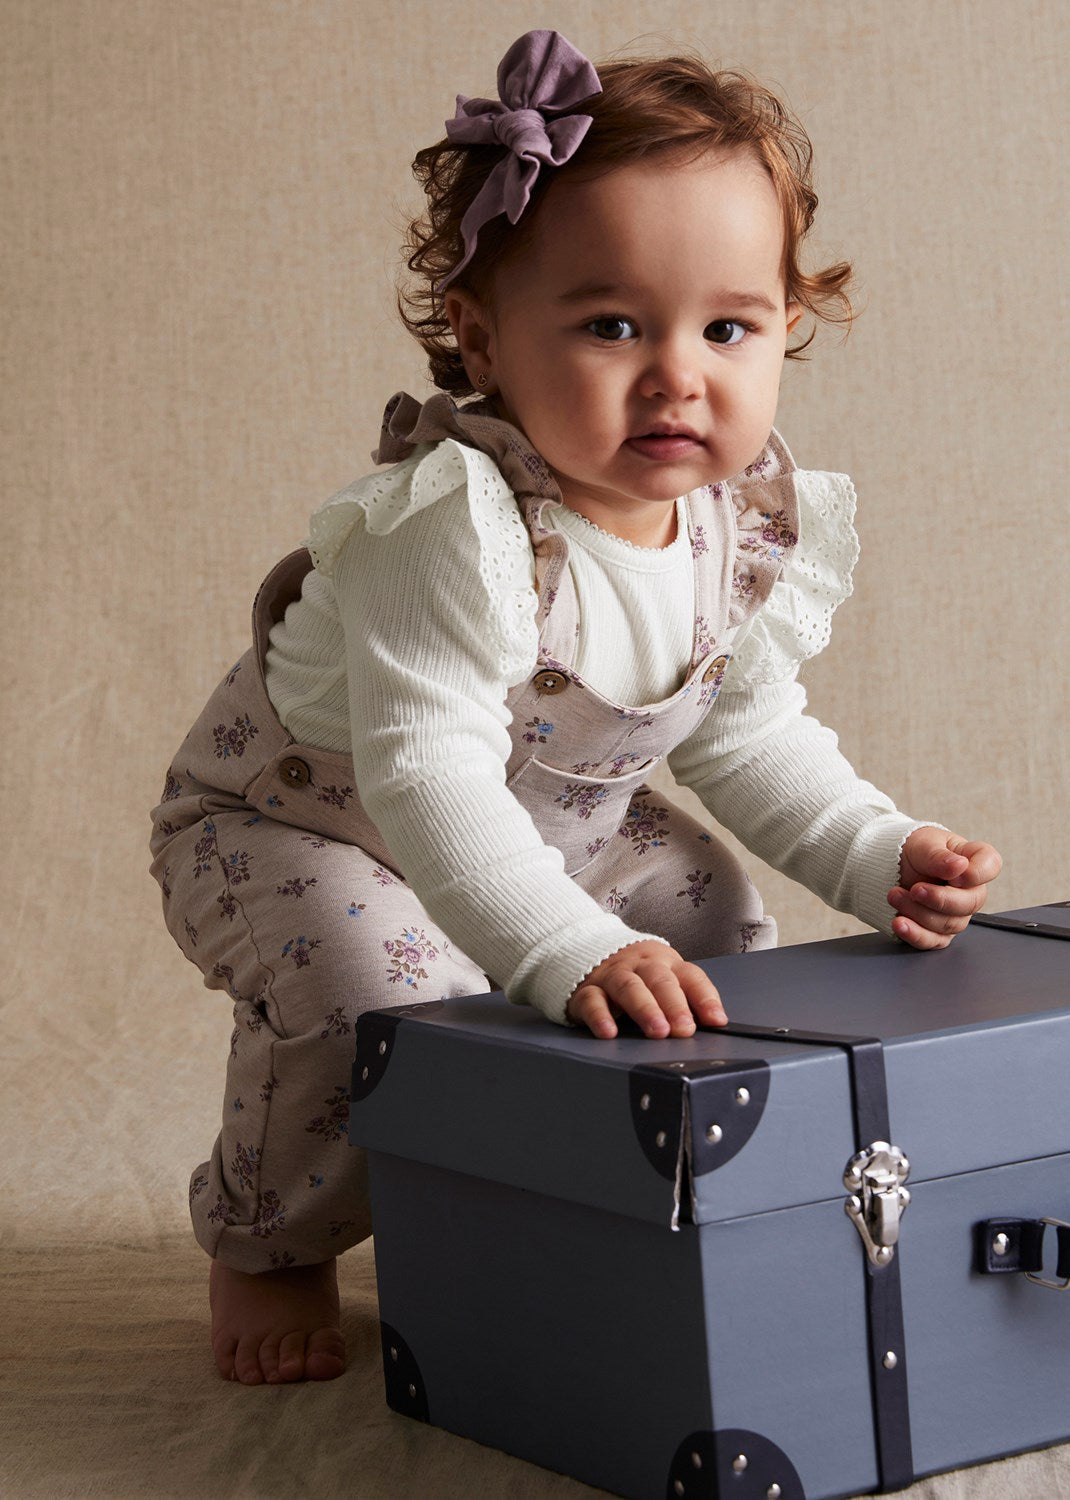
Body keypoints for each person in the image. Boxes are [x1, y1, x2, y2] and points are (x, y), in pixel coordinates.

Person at [149, 30, 1001, 1388]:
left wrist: (873, 850)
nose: (675, 372)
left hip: (556, 823)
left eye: (725, 327)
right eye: (610, 324)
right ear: (482, 336)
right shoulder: (456, 521)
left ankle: (622, 1198)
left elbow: (745, 727)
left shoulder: (740, 526)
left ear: (789, 323)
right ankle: (269, 1243)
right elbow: (425, 774)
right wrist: (558, 946)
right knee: (385, 995)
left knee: (710, 929)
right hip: (305, 825)